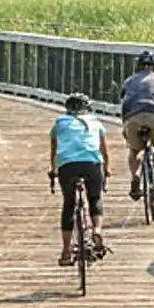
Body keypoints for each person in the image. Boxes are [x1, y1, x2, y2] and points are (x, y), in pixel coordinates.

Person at [47, 92, 110, 266]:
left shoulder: (60, 123)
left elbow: (54, 147)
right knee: (95, 198)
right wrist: (107, 169)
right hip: (92, 164)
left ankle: (66, 251)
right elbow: (104, 150)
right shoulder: (95, 122)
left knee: (69, 204)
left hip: (68, 166)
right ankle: (96, 230)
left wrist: (53, 170)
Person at [118, 49, 154, 202]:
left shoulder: (129, 81)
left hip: (132, 117)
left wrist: (125, 127)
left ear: (138, 65)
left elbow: (124, 105)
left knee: (134, 150)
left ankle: (135, 176)